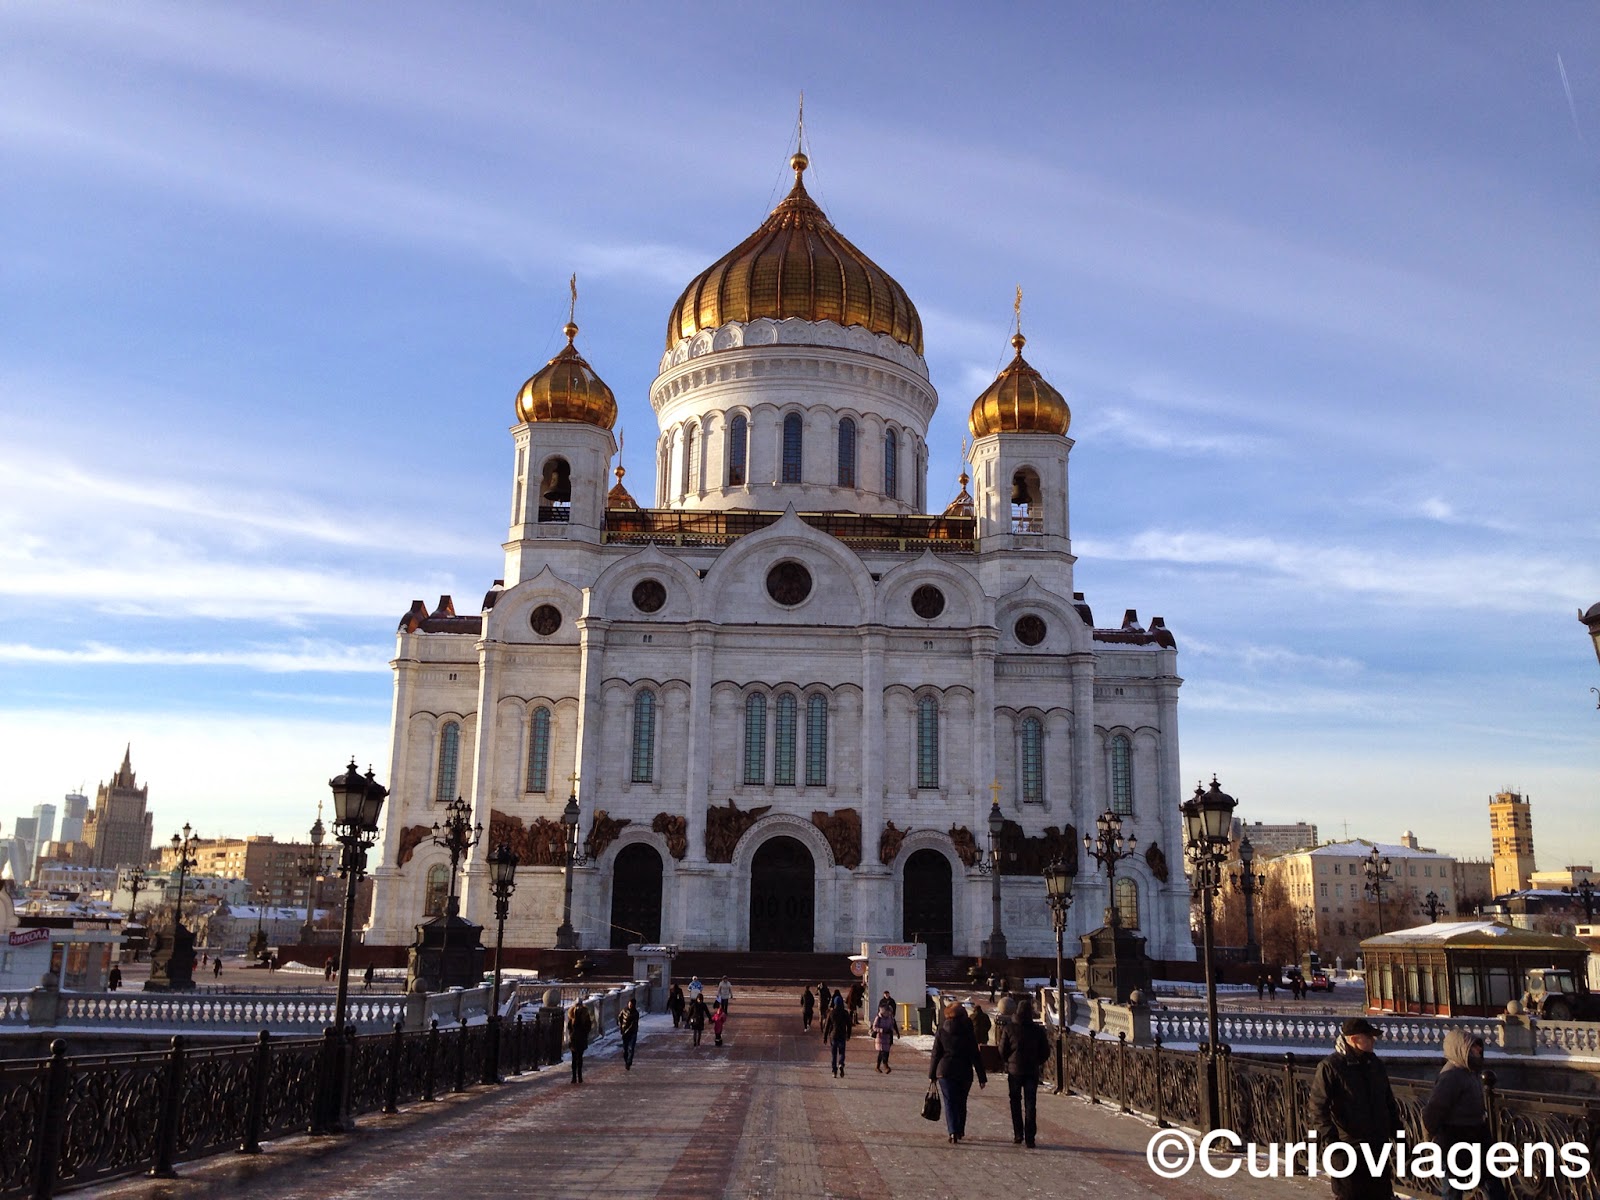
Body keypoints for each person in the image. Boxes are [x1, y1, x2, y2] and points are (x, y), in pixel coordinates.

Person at [1309, 1017, 1401, 1200]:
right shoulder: (1331, 1067)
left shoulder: (1375, 1065)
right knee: (1350, 1195)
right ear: (1353, 1039)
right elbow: (1318, 1108)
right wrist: (1333, 1143)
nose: (1373, 1040)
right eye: (1368, 1037)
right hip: (1349, 1147)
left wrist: (1397, 1133)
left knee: (1381, 1194)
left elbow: (1388, 1102)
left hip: (1377, 1146)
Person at [1423, 1030, 1507, 1200]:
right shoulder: (1451, 1075)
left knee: (1491, 1181)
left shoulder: (1470, 1072)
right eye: (1474, 1047)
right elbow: (1434, 1110)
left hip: (1475, 1135)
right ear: (1461, 1049)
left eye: (1478, 1047)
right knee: (1454, 1187)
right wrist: (1430, 1138)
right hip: (1455, 1139)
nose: (1479, 1051)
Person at [930, 1000, 986, 1144]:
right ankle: (960, 1129)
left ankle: (953, 1131)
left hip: (945, 1071)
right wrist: (982, 1076)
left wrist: (932, 1074)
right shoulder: (968, 1032)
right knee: (961, 1102)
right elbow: (975, 1054)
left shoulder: (942, 1031)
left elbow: (936, 1053)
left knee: (950, 1102)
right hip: (964, 1072)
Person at [997, 998, 1050, 1147]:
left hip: (1014, 1072)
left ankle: (1018, 1134)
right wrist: (1036, 1061)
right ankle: (1030, 1138)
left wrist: (1009, 1061)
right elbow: (1045, 1052)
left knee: (1015, 1102)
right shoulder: (1037, 1030)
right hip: (1031, 1071)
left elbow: (1002, 1050)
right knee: (1030, 1103)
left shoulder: (1009, 1028)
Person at [823, 993, 851, 1076]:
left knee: (834, 1054)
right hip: (842, 1035)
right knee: (842, 1052)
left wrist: (825, 1037)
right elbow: (849, 1025)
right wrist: (848, 1035)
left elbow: (827, 1026)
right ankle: (841, 1063)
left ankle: (834, 1071)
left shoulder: (831, 1013)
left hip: (833, 1035)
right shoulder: (845, 1013)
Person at [567, 1000, 593, 1084]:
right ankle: (574, 1077)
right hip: (574, 1039)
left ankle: (580, 1076)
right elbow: (569, 1026)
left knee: (579, 1058)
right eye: (577, 1005)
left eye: (579, 1005)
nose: (578, 1007)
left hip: (581, 1039)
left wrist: (584, 1033)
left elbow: (588, 1026)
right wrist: (571, 1034)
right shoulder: (571, 1014)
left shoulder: (585, 1014)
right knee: (574, 1059)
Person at [871, 1002, 898, 1073]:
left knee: (884, 1052)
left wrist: (891, 1030)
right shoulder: (878, 1017)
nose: (888, 1013)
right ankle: (886, 1066)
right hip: (880, 1037)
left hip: (887, 1037)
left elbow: (892, 1025)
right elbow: (874, 1027)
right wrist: (881, 1030)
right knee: (883, 1052)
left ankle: (878, 1066)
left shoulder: (890, 1017)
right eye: (887, 1012)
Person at [618, 996, 640, 1070]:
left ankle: (629, 1062)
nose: (630, 1005)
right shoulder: (624, 1010)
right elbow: (619, 1017)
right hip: (624, 1032)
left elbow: (633, 1025)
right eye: (629, 1004)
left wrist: (626, 1032)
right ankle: (626, 1060)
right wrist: (620, 1027)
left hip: (632, 1032)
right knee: (625, 1050)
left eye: (631, 1004)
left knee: (631, 1048)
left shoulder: (636, 1013)